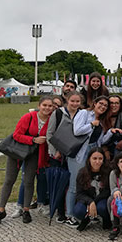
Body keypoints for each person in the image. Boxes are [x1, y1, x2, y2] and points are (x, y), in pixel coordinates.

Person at [0, 96, 54, 226]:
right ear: (39, 105)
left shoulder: (51, 120)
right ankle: (1, 210)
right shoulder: (29, 117)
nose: (47, 108)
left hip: (34, 153)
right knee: (9, 180)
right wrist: (32, 140)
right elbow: (17, 134)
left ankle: (26, 209)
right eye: (45, 105)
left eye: (50, 106)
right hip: (17, 151)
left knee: (28, 181)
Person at [65, 96, 122, 228]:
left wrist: (110, 132)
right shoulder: (84, 113)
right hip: (79, 153)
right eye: (100, 104)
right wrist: (91, 125)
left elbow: (100, 141)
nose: (102, 107)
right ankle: (70, 215)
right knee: (74, 184)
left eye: (105, 106)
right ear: (94, 103)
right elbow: (77, 130)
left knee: (89, 182)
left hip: (92, 152)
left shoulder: (101, 121)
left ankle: (91, 211)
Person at [46, 91, 83, 223]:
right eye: (72, 101)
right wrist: (56, 151)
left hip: (74, 154)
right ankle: (59, 211)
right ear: (67, 100)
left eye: (77, 101)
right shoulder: (58, 113)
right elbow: (49, 134)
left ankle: (71, 211)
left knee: (72, 183)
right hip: (58, 154)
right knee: (59, 183)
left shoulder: (81, 114)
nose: (74, 104)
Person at [73, 147, 111, 231]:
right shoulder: (82, 172)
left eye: (100, 158)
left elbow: (108, 191)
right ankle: (86, 219)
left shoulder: (108, 171)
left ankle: (106, 219)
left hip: (102, 199)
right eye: (94, 158)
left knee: (102, 207)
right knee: (78, 211)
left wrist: (94, 202)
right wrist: (90, 202)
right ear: (89, 159)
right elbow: (79, 194)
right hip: (87, 199)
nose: (97, 162)